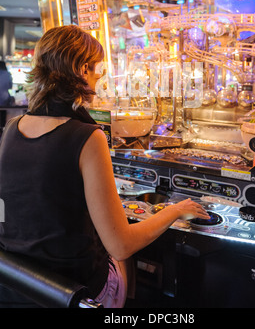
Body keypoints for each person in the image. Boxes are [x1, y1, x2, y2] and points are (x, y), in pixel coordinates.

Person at [0, 24, 209, 308]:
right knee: (127, 260)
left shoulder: (11, 128)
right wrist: (173, 211)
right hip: (76, 293)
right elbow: (121, 244)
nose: (100, 79)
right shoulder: (87, 136)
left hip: (21, 288)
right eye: (98, 70)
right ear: (82, 69)